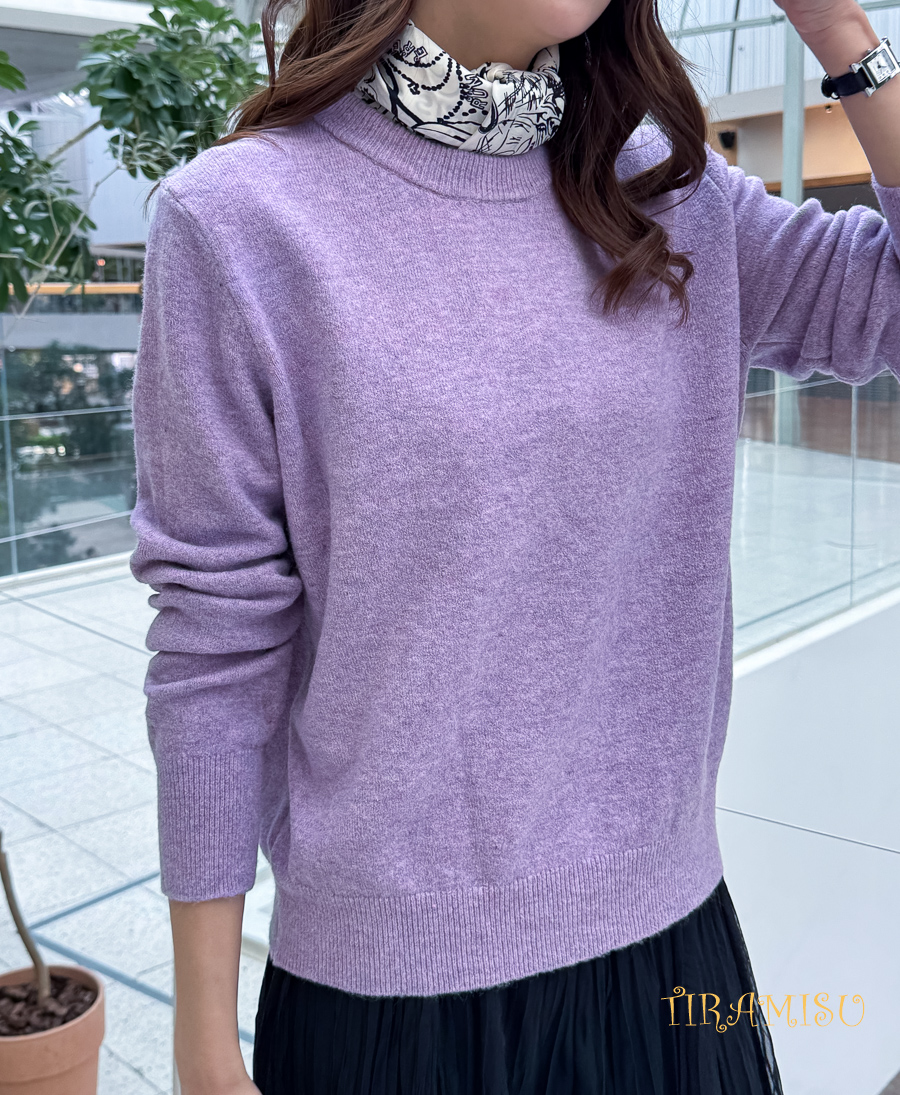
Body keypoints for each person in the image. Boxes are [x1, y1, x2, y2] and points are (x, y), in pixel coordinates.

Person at [128, 0, 900, 1091]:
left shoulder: (669, 194)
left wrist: (840, 33)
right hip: (386, 998)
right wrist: (204, 1044)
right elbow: (215, 645)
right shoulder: (240, 219)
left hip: (672, 957)